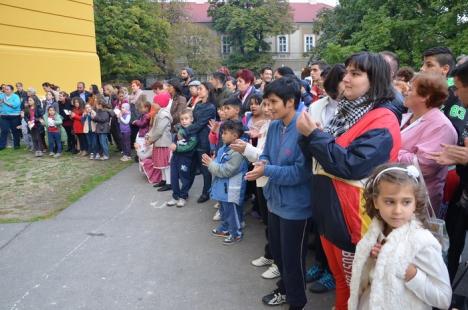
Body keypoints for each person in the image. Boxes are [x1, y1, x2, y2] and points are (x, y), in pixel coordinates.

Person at [297, 52, 402, 310]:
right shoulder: (346, 111)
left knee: (360, 287)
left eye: (355, 74)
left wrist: (314, 136)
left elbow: (351, 165)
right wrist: (311, 137)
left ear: (375, 80)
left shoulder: (383, 119)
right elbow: (322, 153)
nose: (346, 79)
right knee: (342, 281)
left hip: (354, 220)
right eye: (346, 72)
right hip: (331, 213)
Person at [246, 77, 312, 310]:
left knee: (293, 260)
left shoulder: (304, 127)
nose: (267, 108)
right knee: (280, 256)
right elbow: (267, 155)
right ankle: (285, 290)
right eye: (266, 102)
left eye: (273, 102)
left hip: (296, 207)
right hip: (275, 201)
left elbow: (300, 173)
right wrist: (262, 164)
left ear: (291, 101)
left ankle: (297, 302)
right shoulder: (274, 125)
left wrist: (267, 169)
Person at [348, 163, 452, 310]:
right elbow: (368, 280)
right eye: (389, 201)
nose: (398, 210)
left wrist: (409, 272)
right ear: (376, 202)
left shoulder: (422, 242)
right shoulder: (375, 232)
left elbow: (443, 298)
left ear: (416, 203)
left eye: (406, 202)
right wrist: (372, 258)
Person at [305, 64, 346, 294]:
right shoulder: (316, 106)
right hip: (317, 169)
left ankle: (332, 272)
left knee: (334, 226)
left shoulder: (352, 108)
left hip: (339, 174)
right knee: (319, 222)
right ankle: (320, 264)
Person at [429, 61, 468, 289]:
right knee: (452, 247)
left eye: (459, 87)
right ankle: (447, 291)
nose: (455, 92)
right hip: (463, 197)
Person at [399, 73, 457, 216]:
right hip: (397, 192)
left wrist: (390, 149)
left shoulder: (441, 126)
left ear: (426, 96)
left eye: (411, 89)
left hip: (417, 200)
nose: (406, 92)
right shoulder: (409, 116)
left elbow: (424, 166)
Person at [204, 120, 249, 245]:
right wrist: (213, 163)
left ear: (235, 135)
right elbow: (218, 163)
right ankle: (225, 228)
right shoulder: (225, 148)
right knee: (224, 210)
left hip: (231, 190)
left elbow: (226, 171)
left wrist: (211, 164)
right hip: (223, 188)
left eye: (225, 133)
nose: (222, 135)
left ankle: (236, 234)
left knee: (232, 211)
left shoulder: (238, 153)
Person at [186, 82, 217, 203]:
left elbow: (200, 124)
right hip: (195, 138)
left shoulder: (210, 107)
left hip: (204, 140)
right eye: (198, 89)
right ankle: (184, 191)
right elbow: (194, 120)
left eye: (201, 89)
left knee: (205, 169)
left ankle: (206, 192)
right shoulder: (198, 104)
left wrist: (185, 131)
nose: (198, 91)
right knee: (192, 166)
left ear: (208, 91)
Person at [166, 109, 198, 208]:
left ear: (191, 119)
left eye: (186, 119)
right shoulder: (179, 129)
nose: (184, 121)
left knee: (185, 178)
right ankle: (175, 196)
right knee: (173, 177)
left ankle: (183, 196)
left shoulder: (193, 132)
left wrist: (178, 148)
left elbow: (191, 145)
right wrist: (173, 144)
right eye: (182, 119)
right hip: (175, 157)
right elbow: (175, 140)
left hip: (186, 159)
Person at [147, 93, 173, 192]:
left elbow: (159, 130)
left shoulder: (163, 115)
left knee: (165, 164)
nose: (153, 104)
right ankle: (163, 180)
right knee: (161, 163)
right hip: (159, 142)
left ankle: (169, 183)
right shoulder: (159, 113)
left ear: (160, 103)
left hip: (164, 143)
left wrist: (151, 139)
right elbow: (154, 128)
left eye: (155, 102)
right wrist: (148, 136)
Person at [0, 85, 22, 150]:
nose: (5, 90)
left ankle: (16, 145)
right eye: (5, 89)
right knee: (4, 130)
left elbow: (15, 105)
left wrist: (4, 102)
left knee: (15, 131)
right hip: (4, 116)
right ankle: (2, 146)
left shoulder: (15, 96)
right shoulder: (1, 96)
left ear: (12, 90)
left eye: (7, 89)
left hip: (14, 116)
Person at [92, 96, 111, 160]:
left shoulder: (105, 111)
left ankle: (106, 155)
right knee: (101, 142)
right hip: (100, 128)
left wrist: (95, 117)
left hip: (103, 128)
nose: (96, 106)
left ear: (100, 105)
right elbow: (98, 119)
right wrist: (93, 118)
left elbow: (103, 119)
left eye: (97, 104)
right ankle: (104, 153)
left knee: (103, 142)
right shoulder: (99, 111)